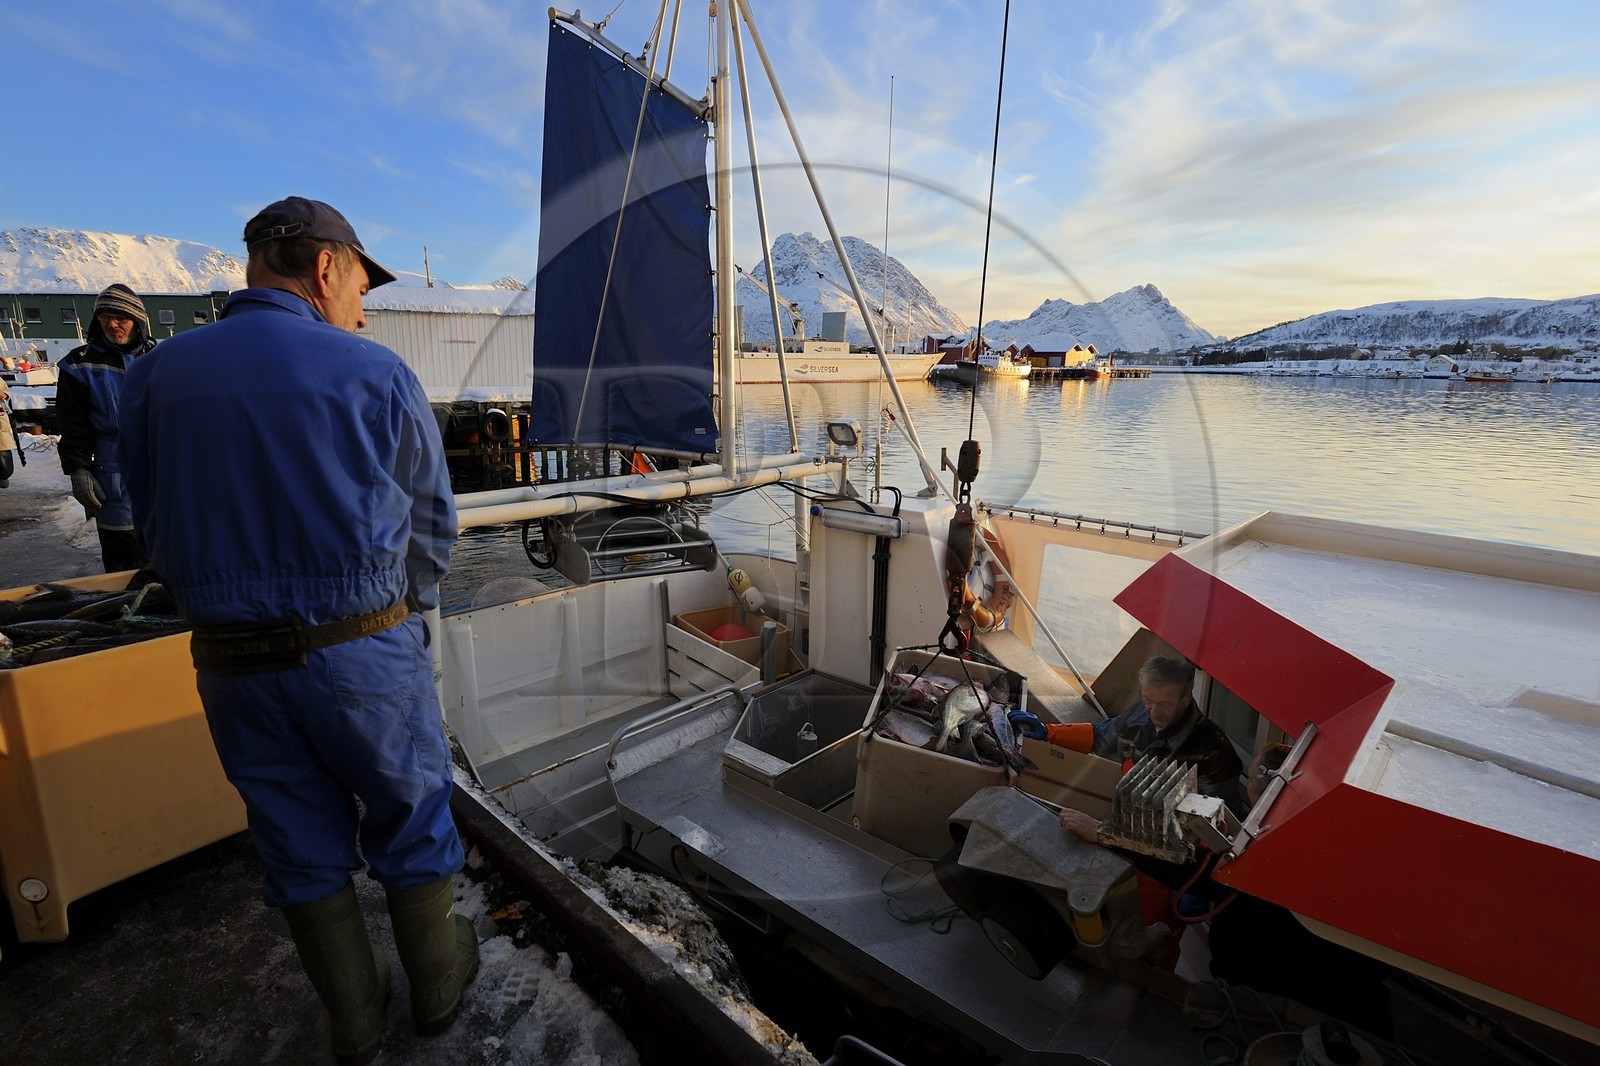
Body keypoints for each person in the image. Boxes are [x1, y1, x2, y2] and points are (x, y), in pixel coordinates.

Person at [119, 197, 474, 1066]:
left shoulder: (154, 375)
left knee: (294, 839)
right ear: (324, 268)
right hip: (361, 647)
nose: (364, 305)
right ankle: (436, 991)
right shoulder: (376, 372)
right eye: (361, 283)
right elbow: (433, 528)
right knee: (411, 811)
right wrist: (398, 609)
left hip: (231, 662)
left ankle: (354, 1020)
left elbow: (149, 521)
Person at [1009, 654, 1246, 961]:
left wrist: (1195, 886)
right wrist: (1048, 732)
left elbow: (1218, 831)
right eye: (1147, 699)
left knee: (1153, 939)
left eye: (1165, 703)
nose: (1154, 711)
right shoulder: (1139, 716)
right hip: (1120, 834)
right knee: (1111, 913)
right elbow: (1101, 735)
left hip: (1165, 868)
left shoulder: (1216, 755)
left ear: (1188, 697)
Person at [56, 283, 156, 572]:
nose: (112, 324)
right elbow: (72, 424)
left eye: (120, 318)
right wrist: (78, 469)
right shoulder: (79, 365)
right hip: (111, 469)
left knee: (164, 554)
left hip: (158, 466)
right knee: (122, 560)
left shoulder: (158, 357)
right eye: (104, 317)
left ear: (137, 320)